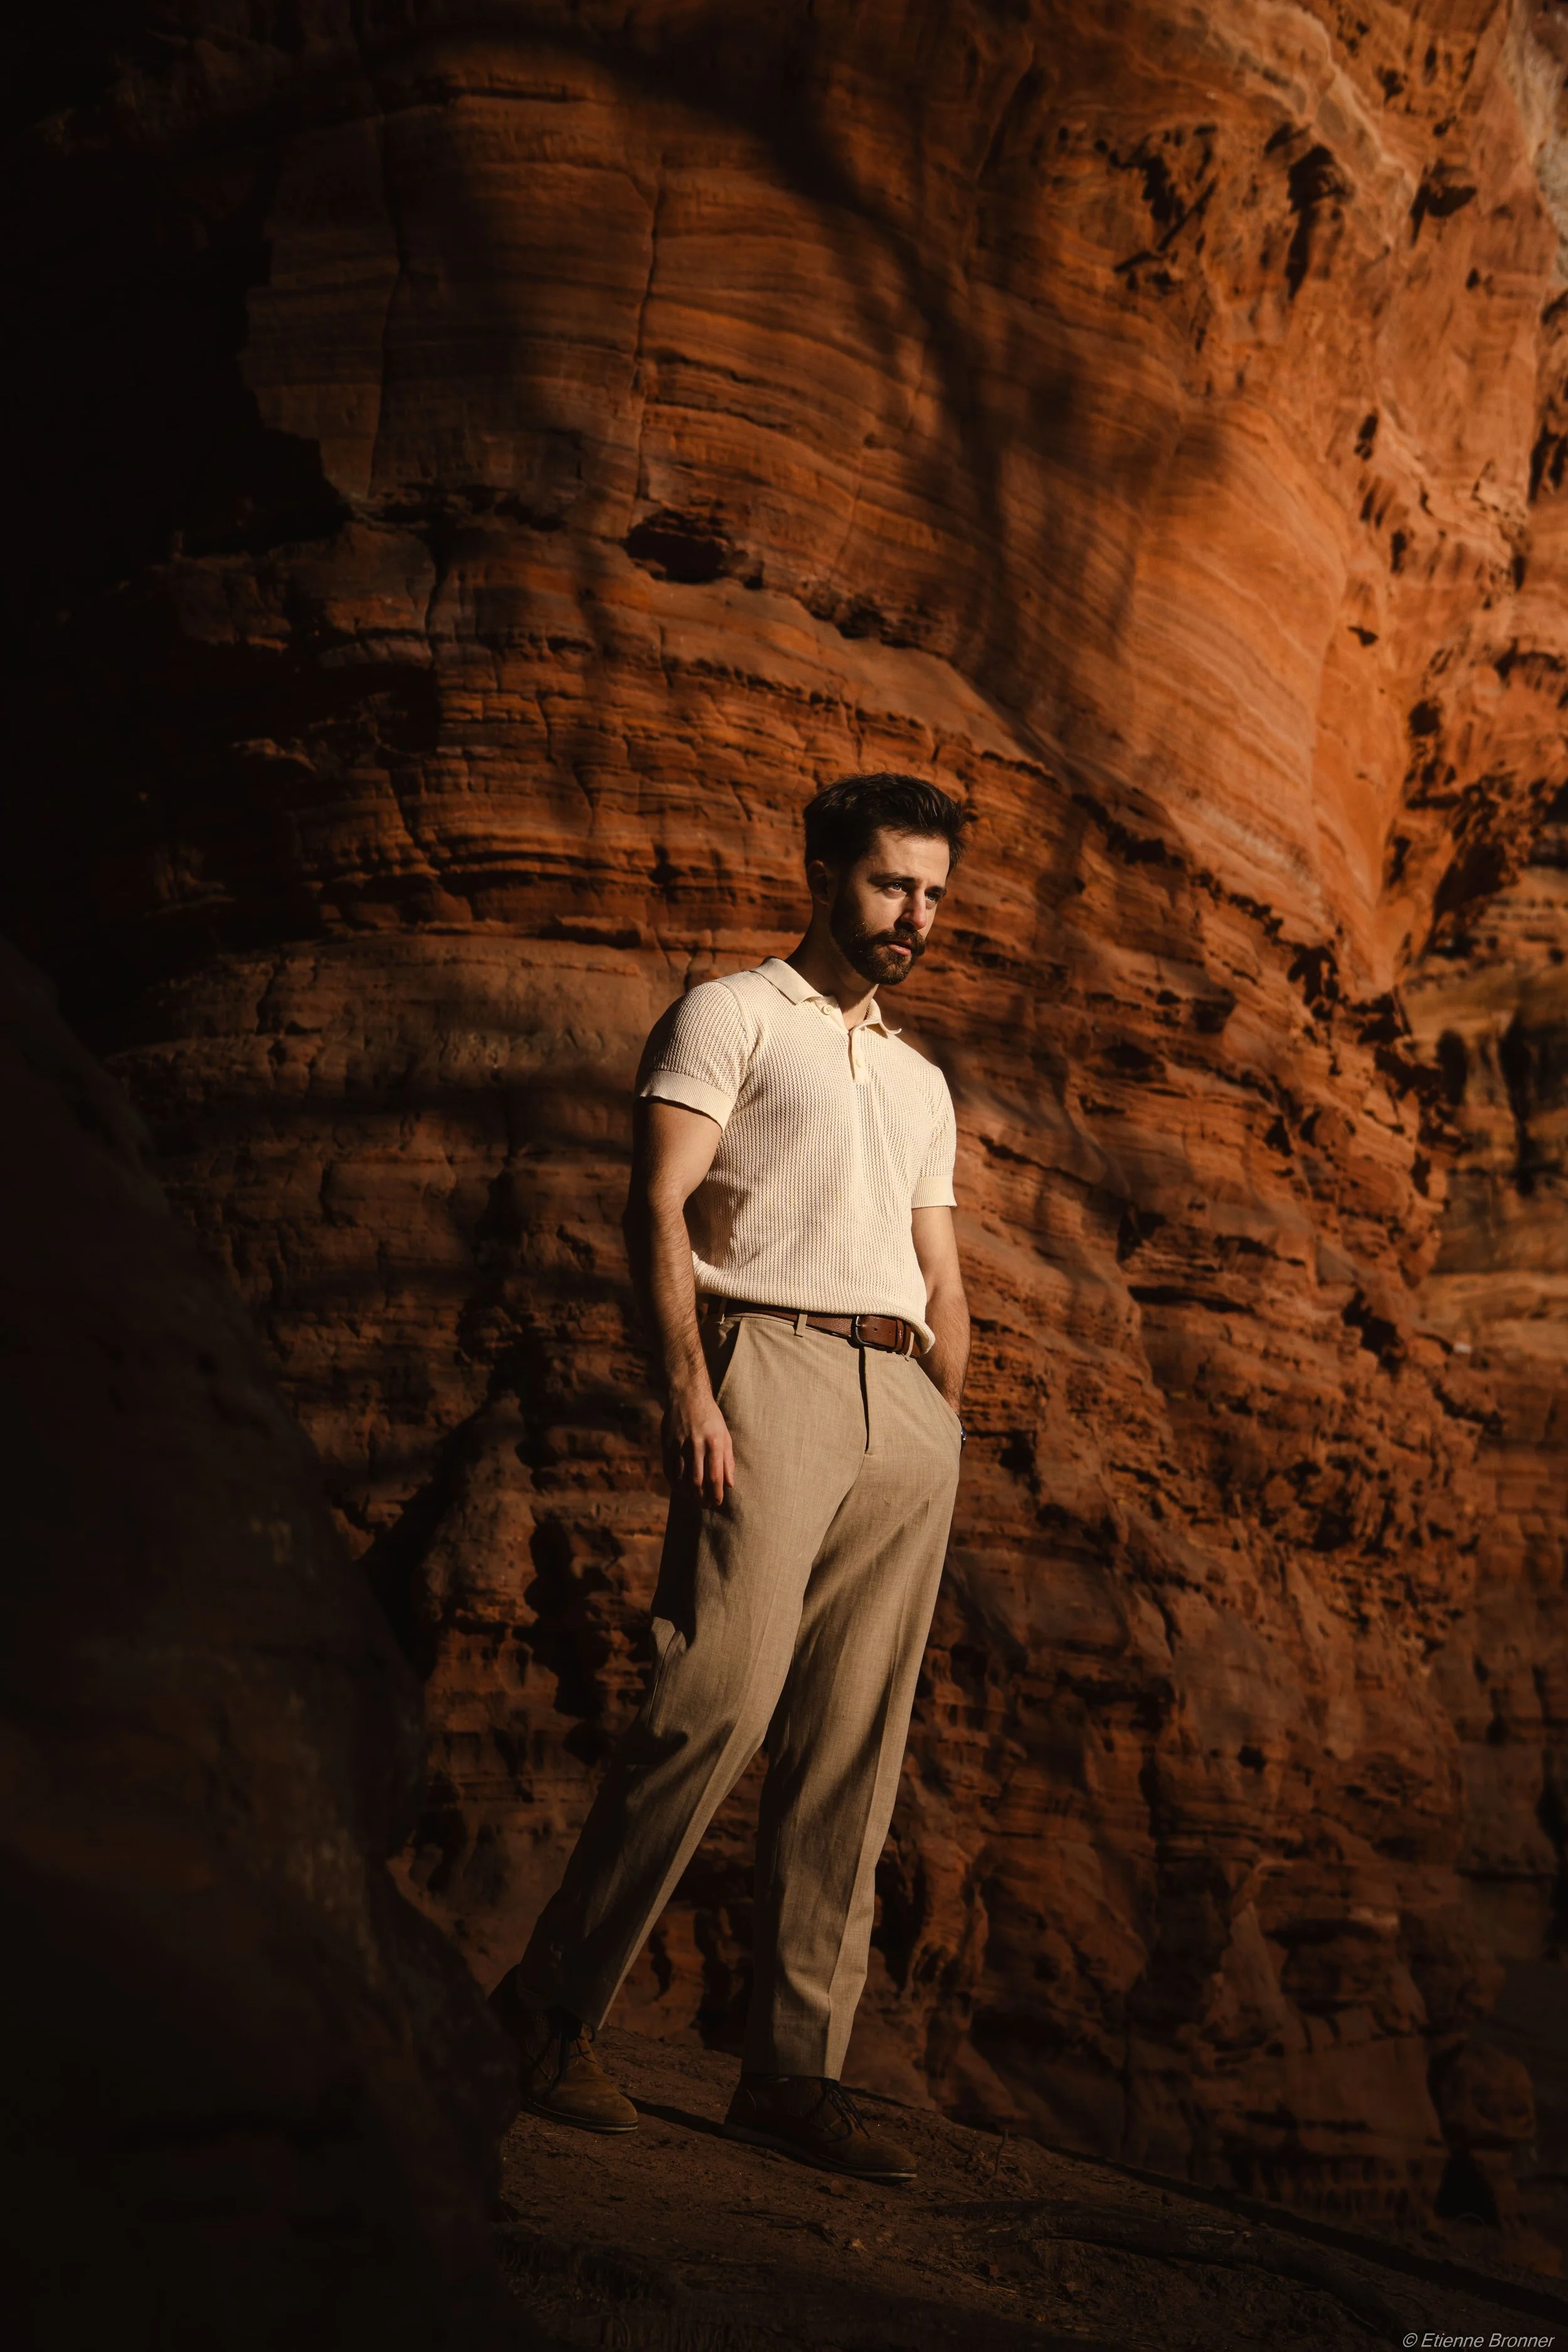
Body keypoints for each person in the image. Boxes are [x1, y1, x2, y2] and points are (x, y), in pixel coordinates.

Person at [489, 772, 970, 2183]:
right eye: (890, 884)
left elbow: (938, 1257)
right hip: (770, 1369)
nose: (912, 917)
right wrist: (691, 1388)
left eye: (933, 895)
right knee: (712, 1698)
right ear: (824, 867)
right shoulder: (732, 1013)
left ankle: (794, 2072)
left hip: (904, 1406)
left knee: (853, 1754)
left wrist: (947, 1400)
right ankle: (548, 2013)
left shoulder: (921, 1073)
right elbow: (652, 1202)